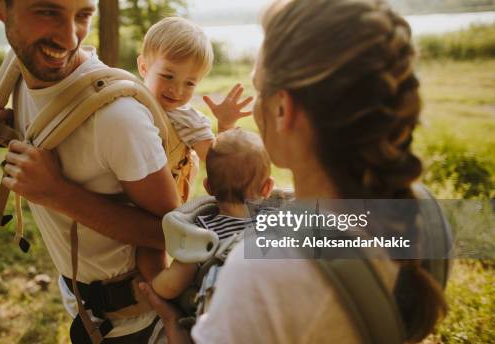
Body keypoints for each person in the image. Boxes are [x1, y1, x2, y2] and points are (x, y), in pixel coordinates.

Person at [139, 0, 448, 343]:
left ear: (284, 110)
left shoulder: (259, 270)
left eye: (259, 89)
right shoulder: (425, 218)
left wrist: (171, 324)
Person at [0, 0, 179, 342]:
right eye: (47, 11)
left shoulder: (118, 119)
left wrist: (57, 194)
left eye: (83, 15)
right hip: (81, 307)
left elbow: (173, 233)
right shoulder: (18, 70)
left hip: (136, 326)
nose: (69, 39)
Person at [134, 16, 253, 285]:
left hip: (163, 207)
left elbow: (217, 163)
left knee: (153, 260)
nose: (177, 89)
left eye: (190, 83)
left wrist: (225, 125)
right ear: (143, 66)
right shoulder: (127, 99)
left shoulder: (185, 118)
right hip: (128, 193)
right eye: (168, 76)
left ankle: (165, 302)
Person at [151, 128, 274, 299]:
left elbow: (171, 287)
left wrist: (151, 284)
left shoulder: (202, 233)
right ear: (267, 188)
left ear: (208, 187)